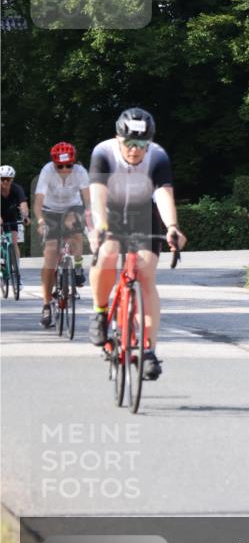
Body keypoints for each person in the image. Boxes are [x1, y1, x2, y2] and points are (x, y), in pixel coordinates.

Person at [87, 108, 186, 380]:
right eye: (129, 143)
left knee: (146, 273)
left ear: (149, 142)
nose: (134, 150)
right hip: (109, 211)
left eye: (141, 144)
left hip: (143, 213)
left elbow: (164, 194)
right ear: (118, 139)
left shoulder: (158, 156)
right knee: (108, 252)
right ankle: (99, 311)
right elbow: (97, 195)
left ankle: (149, 350)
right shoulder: (103, 152)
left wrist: (172, 227)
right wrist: (102, 229)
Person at [33, 143, 91, 328]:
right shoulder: (47, 171)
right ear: (54, 164)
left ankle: (79, 267)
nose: (65, 170)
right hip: (50, 210)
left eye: (68, 166)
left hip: (73, 208)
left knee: (76, 235)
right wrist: (41, 221)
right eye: (60, 166)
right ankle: (46, 304)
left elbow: (88, 200)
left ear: (73, 163)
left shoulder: (80, 172)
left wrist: (84, 216)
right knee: (50, 253)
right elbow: (38, 202)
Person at [0, 166, 30, 269]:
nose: (5, 182)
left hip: (11, 218)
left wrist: (25, 216)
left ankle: (16, 271)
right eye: (2, 179)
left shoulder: (17, 189)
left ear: (12, 179)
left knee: (14, 242)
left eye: (8, 179)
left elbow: (23, 204)